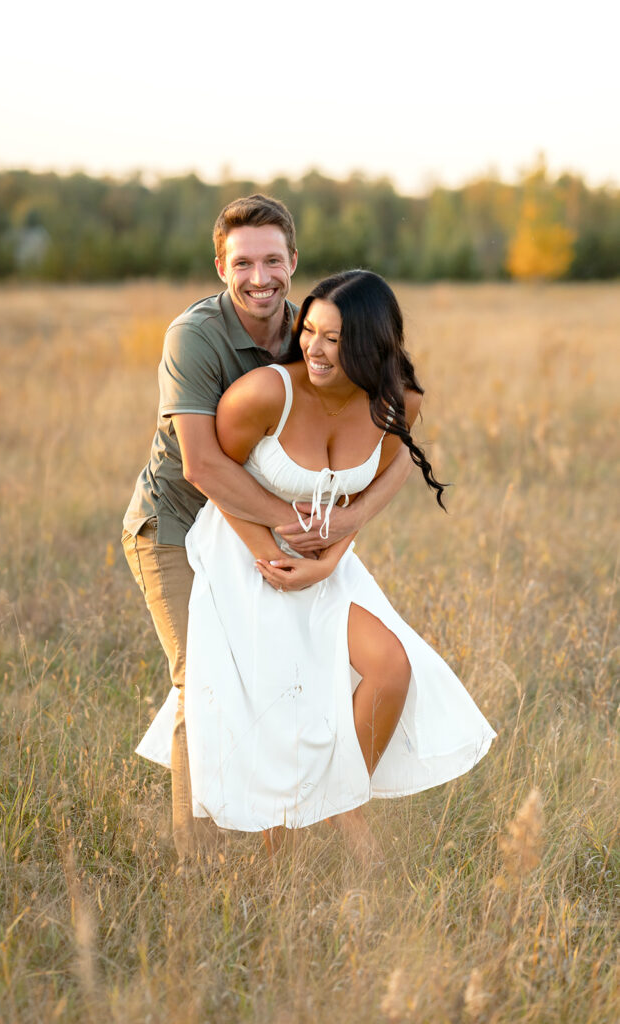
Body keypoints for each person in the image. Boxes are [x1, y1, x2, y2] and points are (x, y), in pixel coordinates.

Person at [136, 270, 496, 852]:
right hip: (242, 547)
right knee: (274, 699)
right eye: (310, 332)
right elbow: (217, 482)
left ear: (371, 342)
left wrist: (333, 557)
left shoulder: (396, 402)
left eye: (334, 338)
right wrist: (267, 558)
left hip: (325, 558)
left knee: (392, 666)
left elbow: (380, 478)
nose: (315, 348)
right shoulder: (265, 395)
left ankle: (337, 802)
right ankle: (274, 864)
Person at [123, 197, 414, 864]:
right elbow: (202, 467)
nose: (261, 278)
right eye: (244, 262)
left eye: (273, 261)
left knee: (299, 674)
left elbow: (390, 444)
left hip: (274, 532)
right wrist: (293, 527)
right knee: (203, 680)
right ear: (220, 266)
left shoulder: (314, 332)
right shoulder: (193, 336)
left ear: (293, 263)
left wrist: (343, 523)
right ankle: (194, 868)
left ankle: (296, 829)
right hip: (177, 523)